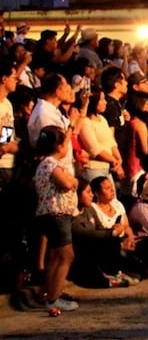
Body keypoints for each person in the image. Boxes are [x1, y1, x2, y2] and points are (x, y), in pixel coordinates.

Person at [33, 125, 80, 313]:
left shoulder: (47, 163)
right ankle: (54, 298)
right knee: (67, 256)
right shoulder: (50, 164)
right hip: (56, 214)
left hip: (53, 214)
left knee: (55, 256)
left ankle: (50, 292)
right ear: (59, 146)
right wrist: (73, 181)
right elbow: (67, 183)